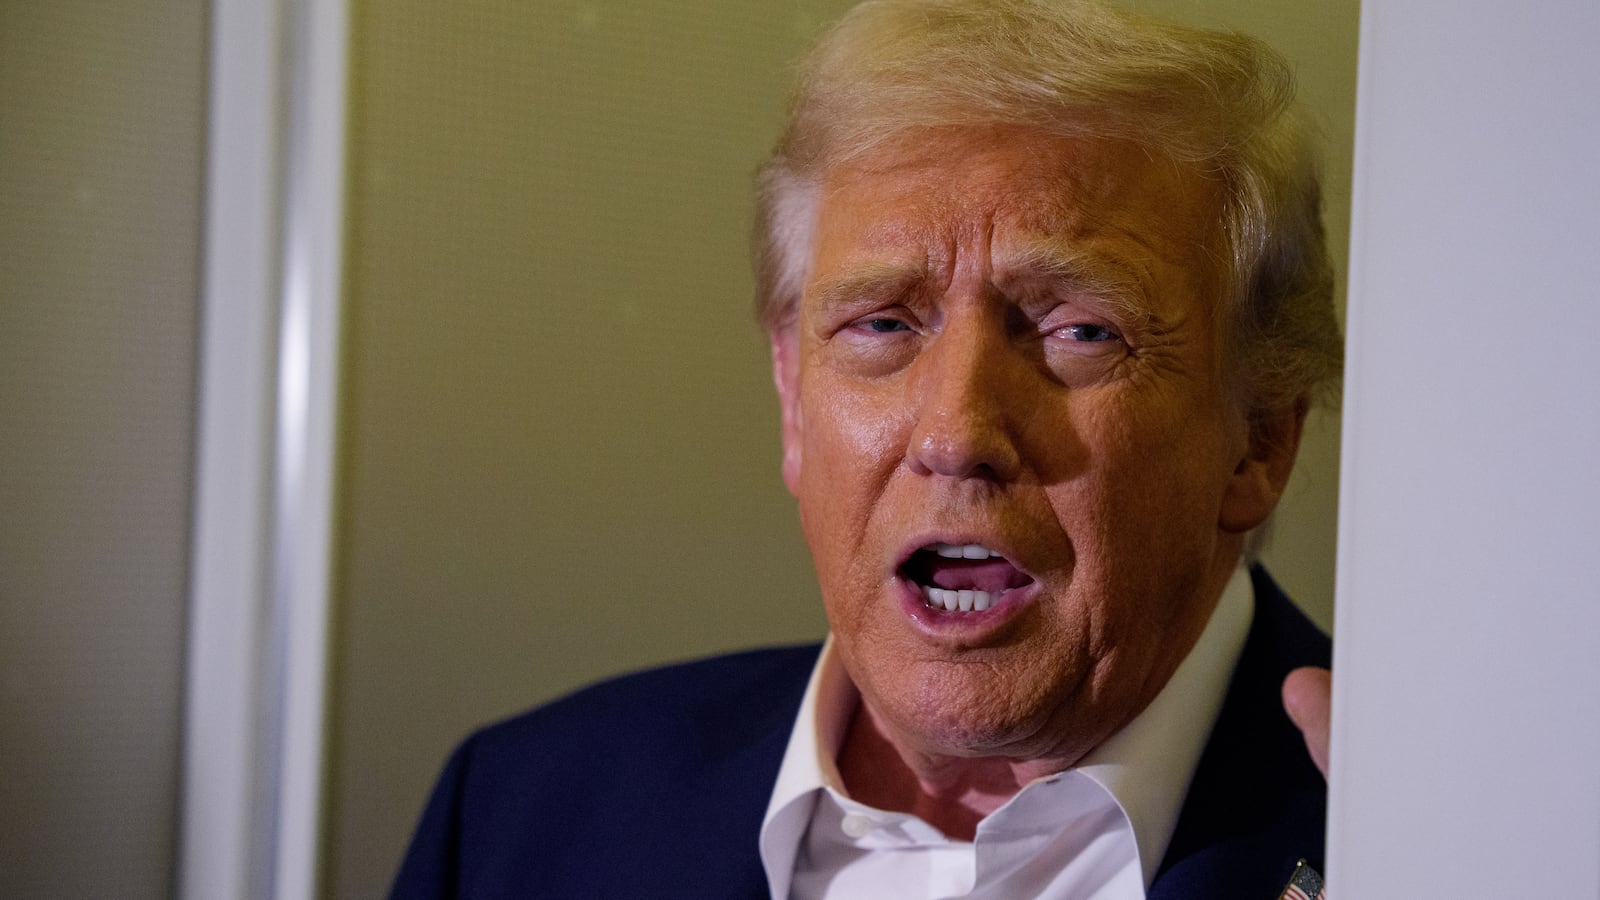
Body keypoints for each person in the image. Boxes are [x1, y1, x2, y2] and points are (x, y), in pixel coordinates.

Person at [391, 1, 1342, 897]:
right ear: (793, 402)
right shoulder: (523, 815)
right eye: (884, 324)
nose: (955, 432)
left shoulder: (1425, 839)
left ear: (1260, 434)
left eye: (1081, 331)